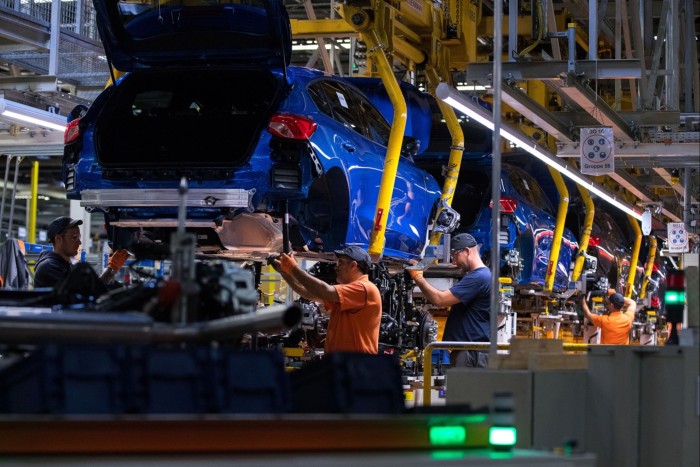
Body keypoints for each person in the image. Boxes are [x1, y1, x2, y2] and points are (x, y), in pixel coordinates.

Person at [269, 246, 381, 354]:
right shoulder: (347, 293)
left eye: (340, 262)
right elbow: (306, 292)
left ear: (353, 265)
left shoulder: (365, 288)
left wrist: (292, 268)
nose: (336, 266)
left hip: (356, 367)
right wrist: (284, 272)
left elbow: (326, 291)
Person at [408, 233, 492, 368]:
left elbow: (439, 300)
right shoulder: (481, 275)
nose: (453, 262)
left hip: (470, 355)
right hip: (470, 352)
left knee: (462, 390)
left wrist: (418, 278)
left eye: (454, 256)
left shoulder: (478, 278)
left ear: (466, 251)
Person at [34, 216, 129, 289]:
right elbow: (86, 294)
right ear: (58, 239)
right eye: (74, 237)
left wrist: (112, 269)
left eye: (79, 237)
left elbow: (88, 290)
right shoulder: (49, 267)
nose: (79, 242)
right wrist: (110, 269)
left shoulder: (64, 265)